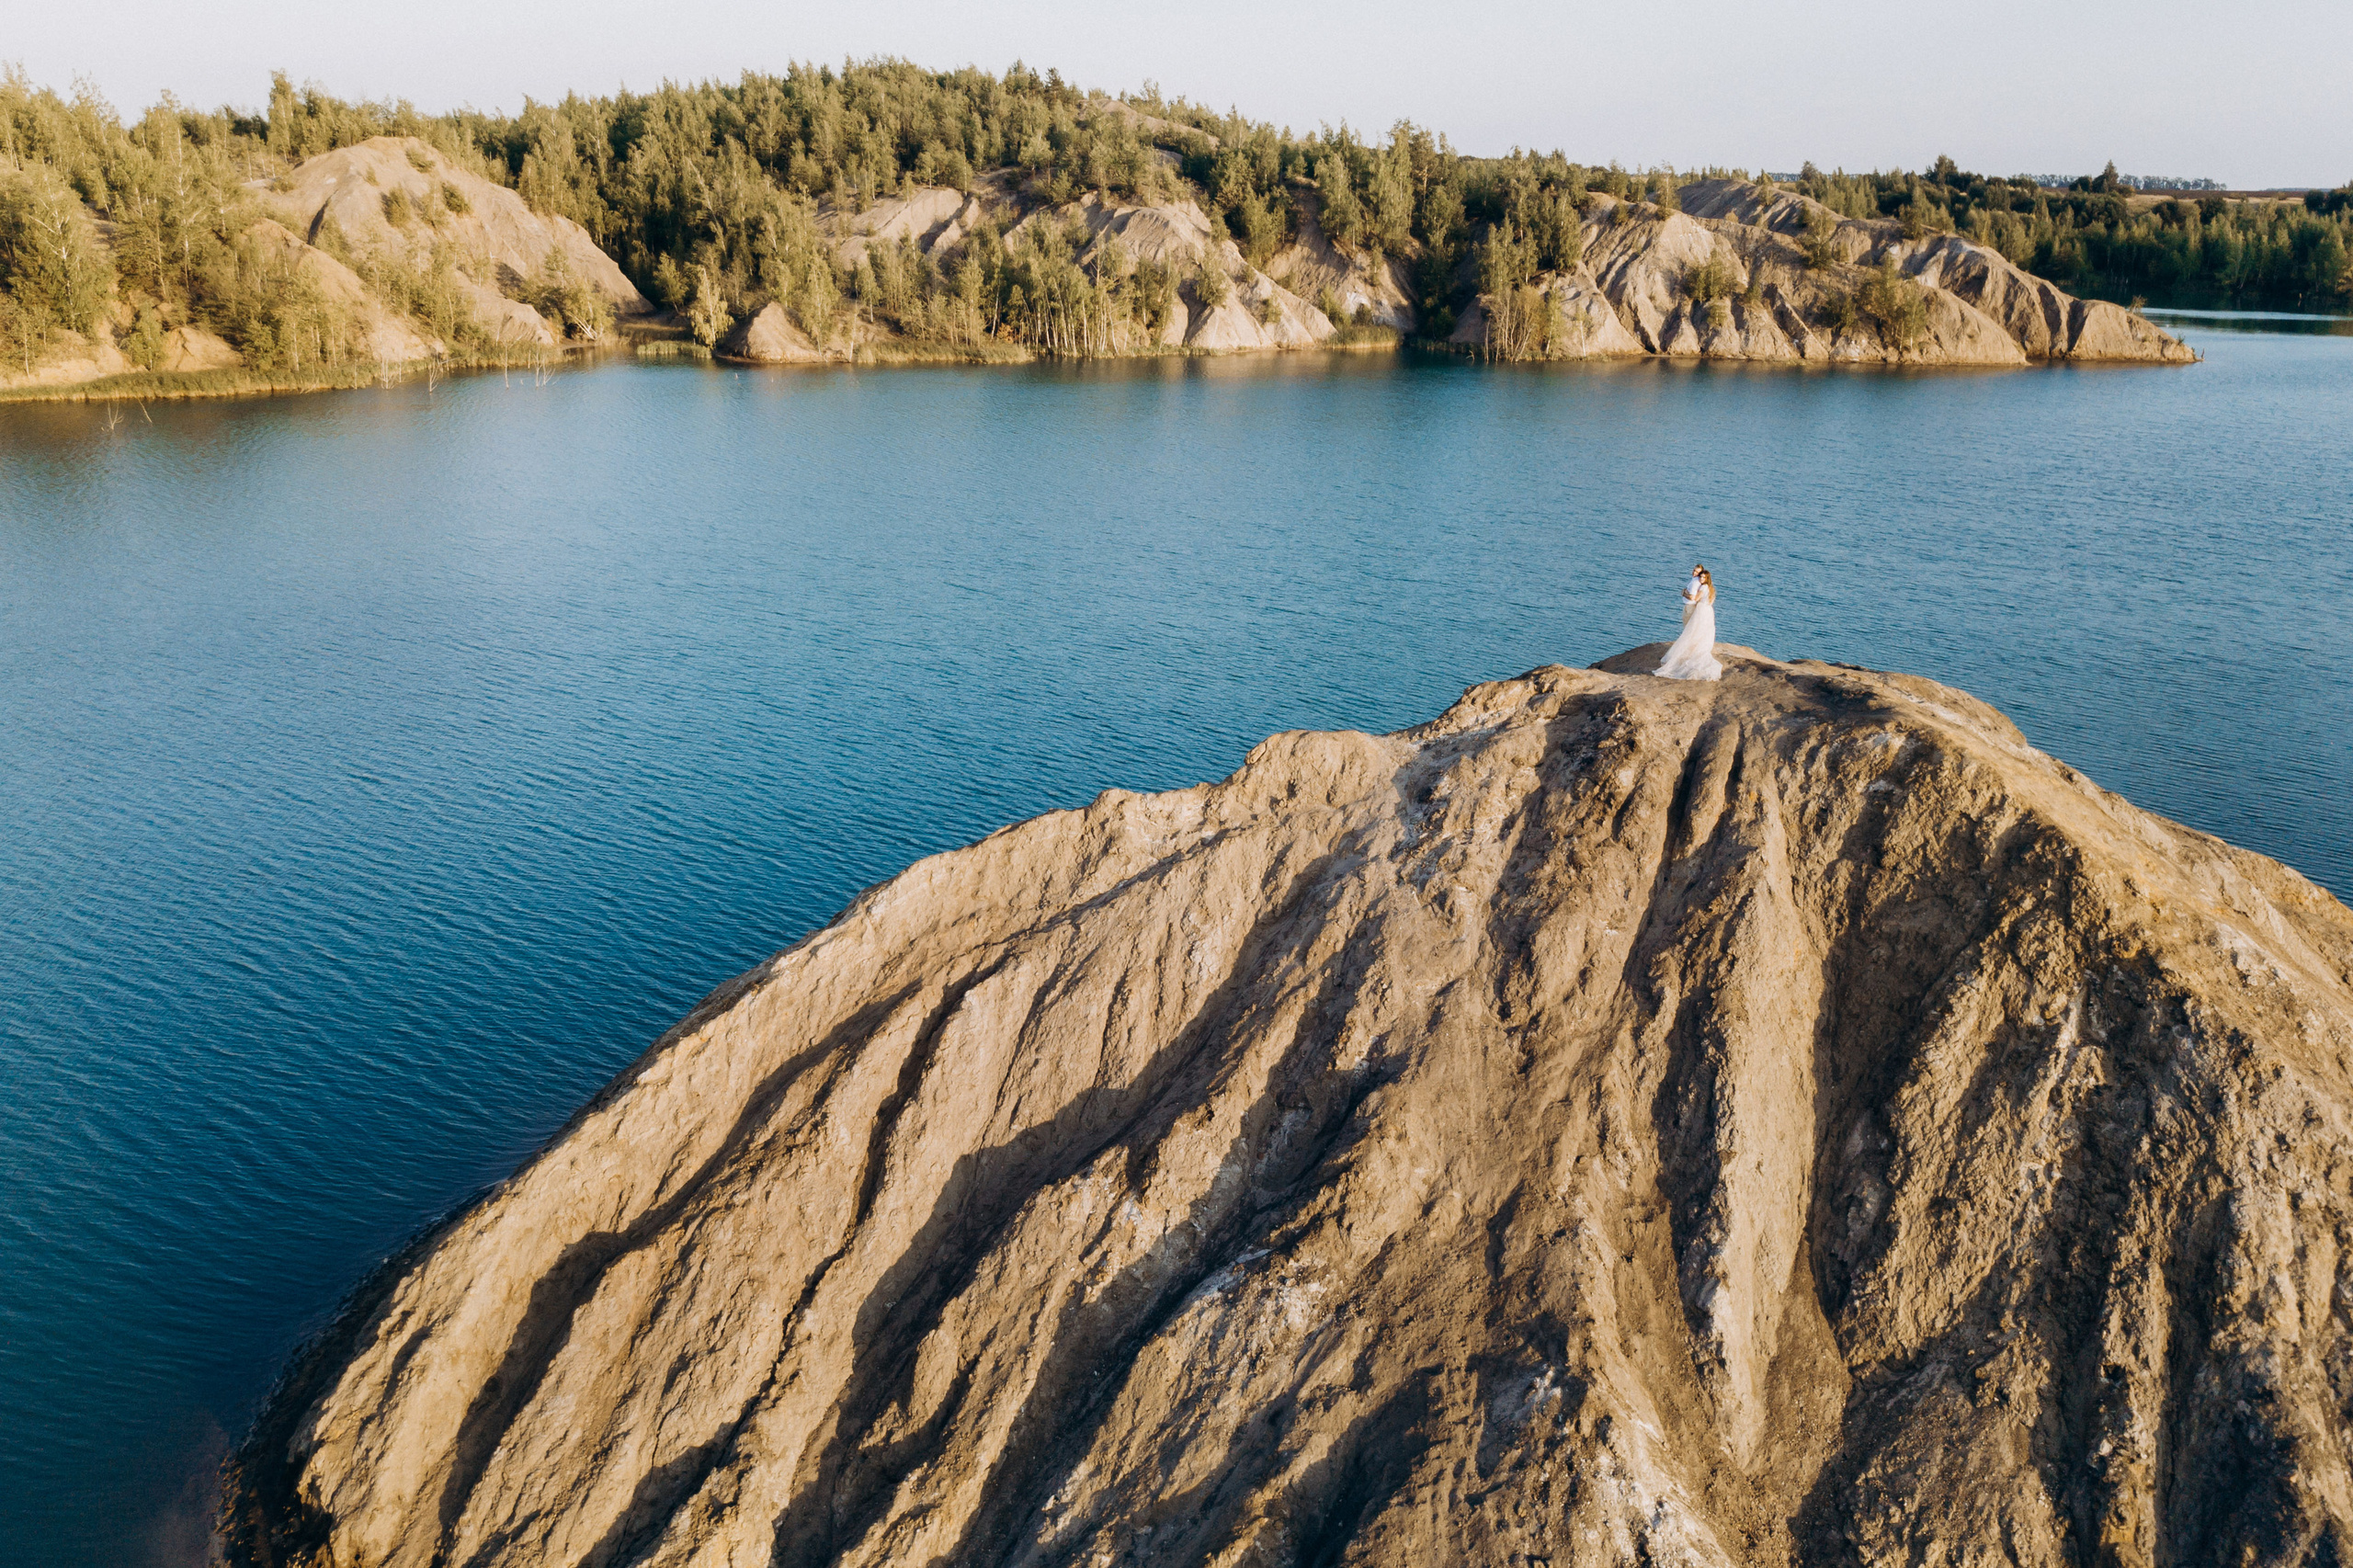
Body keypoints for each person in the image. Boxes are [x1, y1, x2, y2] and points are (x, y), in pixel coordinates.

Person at [1656, 563, 1723, 681]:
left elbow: (1694, 598)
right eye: (1700, 577)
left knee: (1692, 630)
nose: (1701, 579)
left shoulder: (1703, 587)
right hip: (1708, 611)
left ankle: (1690, 650)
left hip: (1701, 610)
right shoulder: (1711, 589)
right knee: (1703, 631)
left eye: (1703, 577)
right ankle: (1697, 648)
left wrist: (1684, 593)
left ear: (1707, 579)